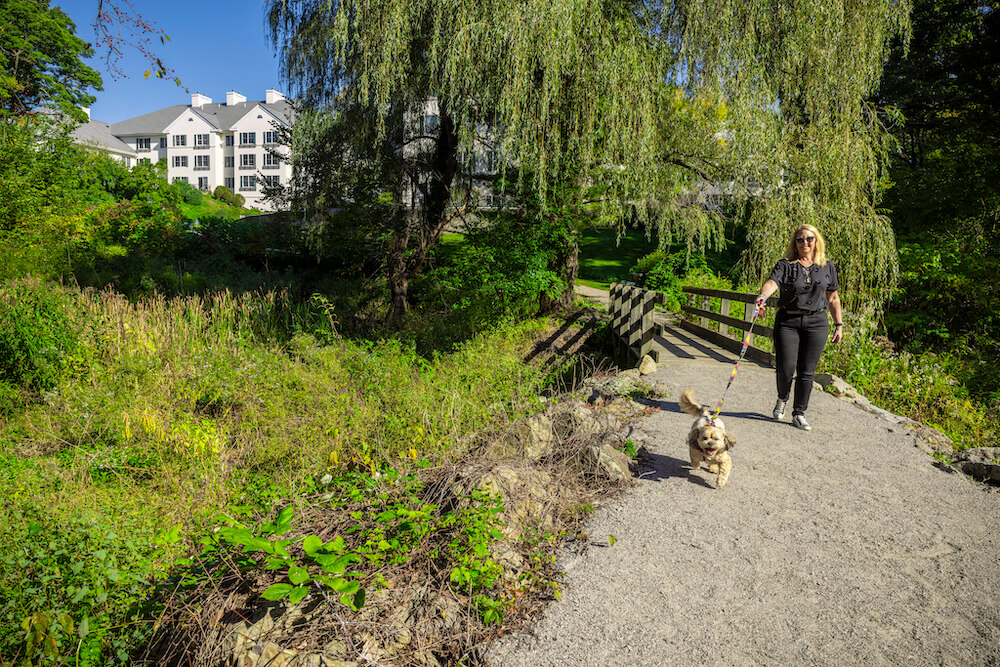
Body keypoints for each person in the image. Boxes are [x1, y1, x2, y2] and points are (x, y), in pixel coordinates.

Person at [754, 224, 843, 431]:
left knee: (807, 372)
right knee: (785, 368)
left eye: (809, 239)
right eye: (800, 239)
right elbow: (772, 283)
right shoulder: (786, 265)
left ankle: (799, 413)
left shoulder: (827, 266)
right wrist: (762, 296)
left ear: (816, 241)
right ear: (795, 243)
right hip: (788, 322)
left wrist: (839, 325)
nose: (805, 243)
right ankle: (782, 397)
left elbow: (833, 297)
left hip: (817, 322)